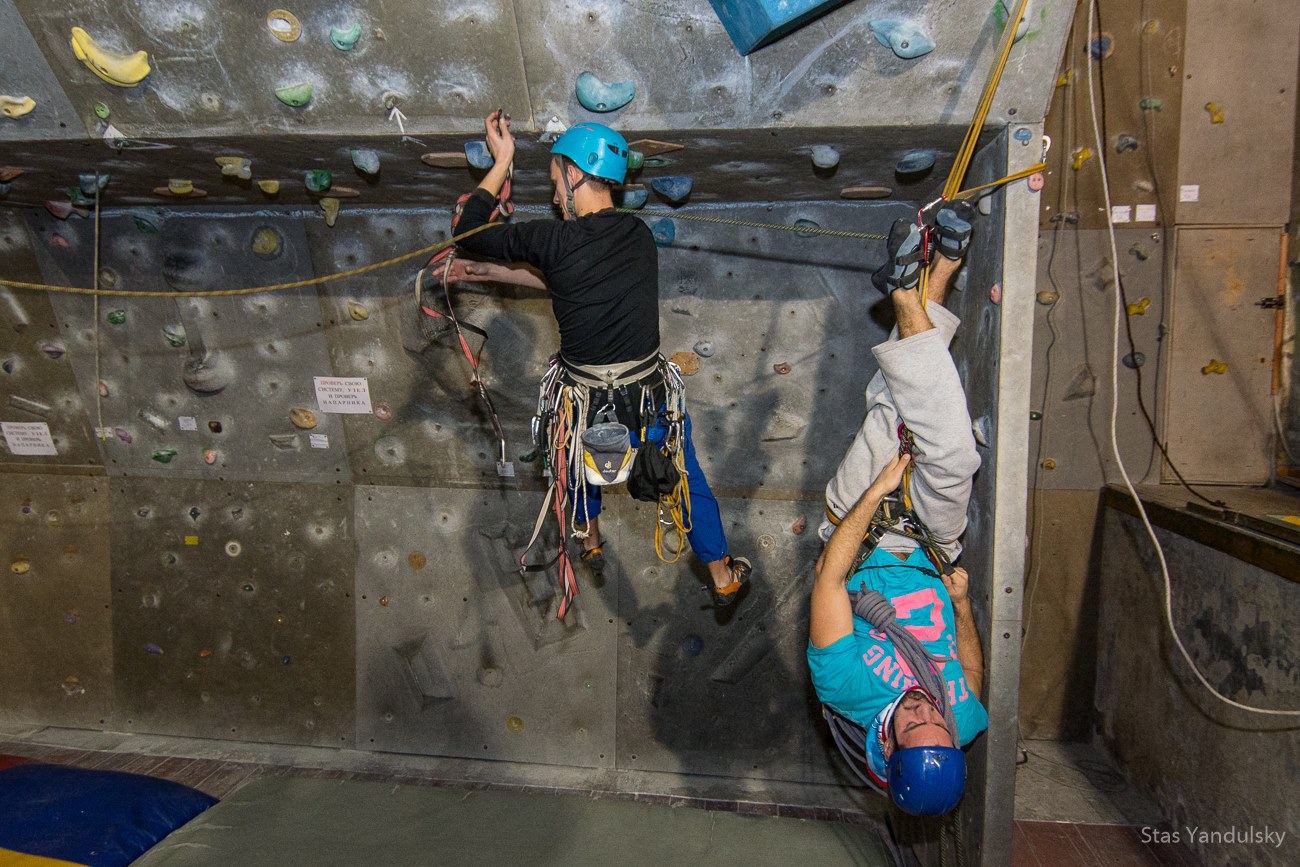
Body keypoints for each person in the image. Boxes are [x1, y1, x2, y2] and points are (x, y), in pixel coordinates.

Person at [437, 109, 752, 610]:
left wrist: (503, 161)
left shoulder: (551, 240)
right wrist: (483, 271)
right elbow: (566, 281)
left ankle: (590, 541)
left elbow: (467, 230)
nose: (554, 195)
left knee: (571, 460)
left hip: (584, 399)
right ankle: (722, 574)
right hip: (647, 399)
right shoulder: (638, 238)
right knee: (685, 475)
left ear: (575, 173)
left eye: (555, 183)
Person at [807, 211, 987, 816]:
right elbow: (970, 673)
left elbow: (829, 579)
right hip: (936, 545)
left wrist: (879, 488)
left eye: (915, 723)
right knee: (950, 447)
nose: (927, 709)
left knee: (896, 418)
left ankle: (923, 280)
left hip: (859, 530)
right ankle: (919, 283)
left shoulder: (845, 689)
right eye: (938, 721)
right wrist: (961, 608)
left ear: (887, 745)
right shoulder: (959, 719)